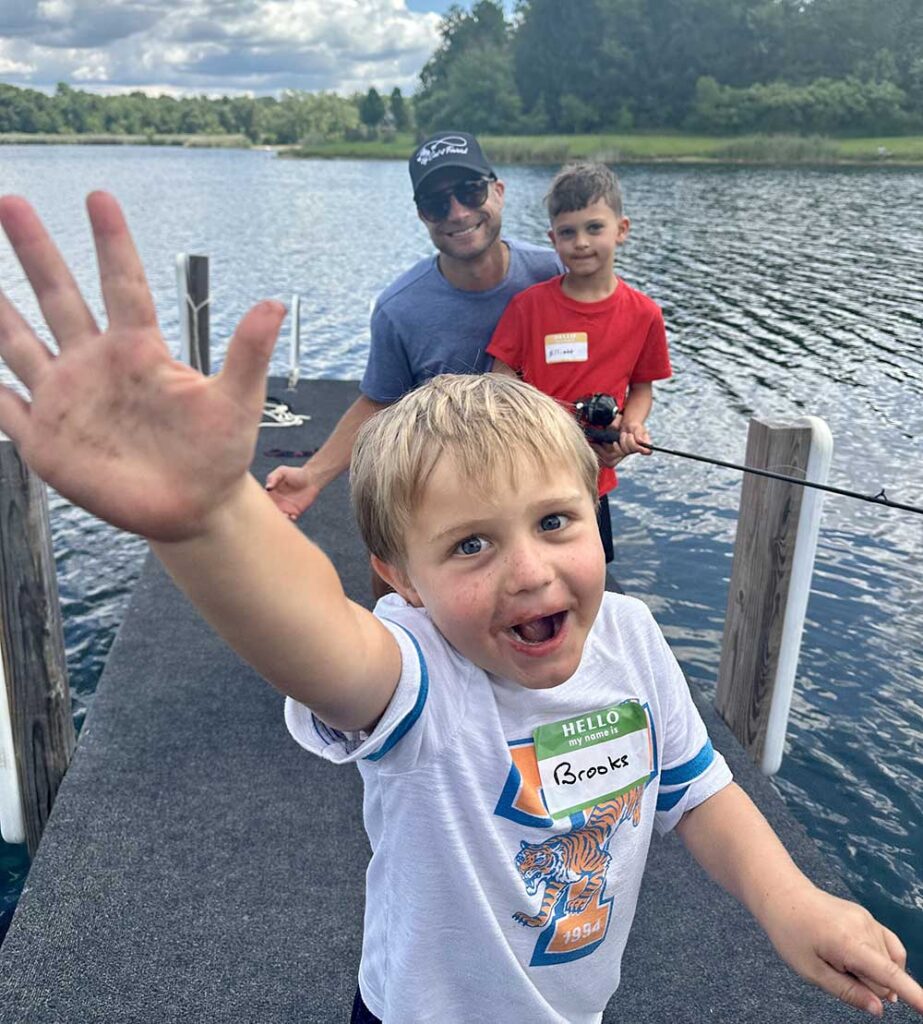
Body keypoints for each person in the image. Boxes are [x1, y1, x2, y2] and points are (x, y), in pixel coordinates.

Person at [1, 194, 921, 1024]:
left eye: (556, 520)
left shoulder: (633, 638)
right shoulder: (416, 675)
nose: (529, 571)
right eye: (470, 545)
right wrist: (207, 520)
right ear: (400, 578)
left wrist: (790, 901)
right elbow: (309, 632)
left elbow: (696, 791)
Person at [265, 130, 561, 520]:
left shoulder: (555, 273)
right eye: (437, 203)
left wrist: (625, 422)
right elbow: (380, 400)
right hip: (453, 486)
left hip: (547, 475)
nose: (457, 213)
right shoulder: (399, 309)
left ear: (498, 191)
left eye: (470, 191)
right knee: (389, 548)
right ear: (422, 214)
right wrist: (312, 477)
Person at [489, 162, 670, 563]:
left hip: (593, 479)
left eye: (594, 228)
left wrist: (631, 426)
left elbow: (642, 388)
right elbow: (499, 382)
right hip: (530, 473)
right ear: (553, 239)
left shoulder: (645, 314)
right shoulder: (528, 307)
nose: (581, 242)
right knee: (529, 565)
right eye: (568, 233)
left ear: (621, 230)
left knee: (590, 572)